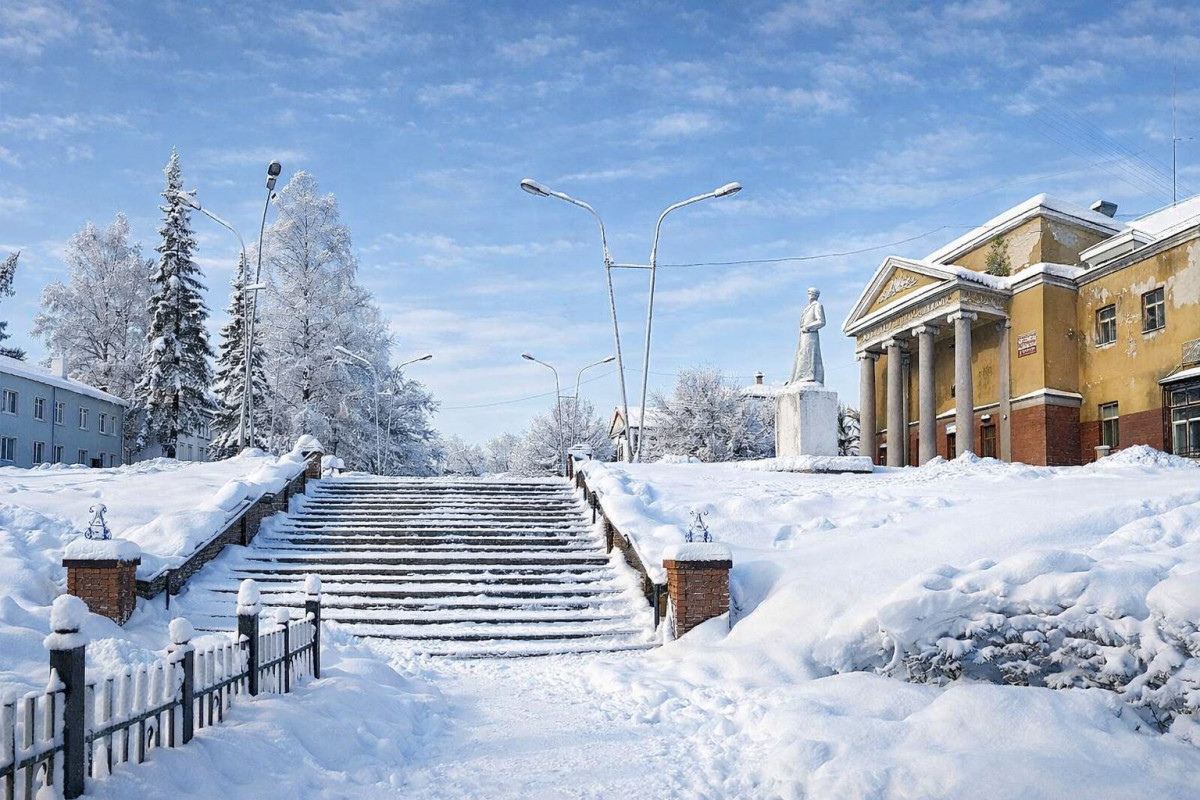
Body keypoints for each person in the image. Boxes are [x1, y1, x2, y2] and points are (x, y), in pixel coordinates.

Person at [790, 287, 825, 385]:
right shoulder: (808, 307)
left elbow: (821, 321)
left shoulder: (817, 305)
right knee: (802, 355)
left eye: (812, 293)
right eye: (809, 293)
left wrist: (808, 327)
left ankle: (810, 375)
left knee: (810, 354)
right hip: (804, 336)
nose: (810, 295)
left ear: (816, 295)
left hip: (811, 334)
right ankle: (803, 375)